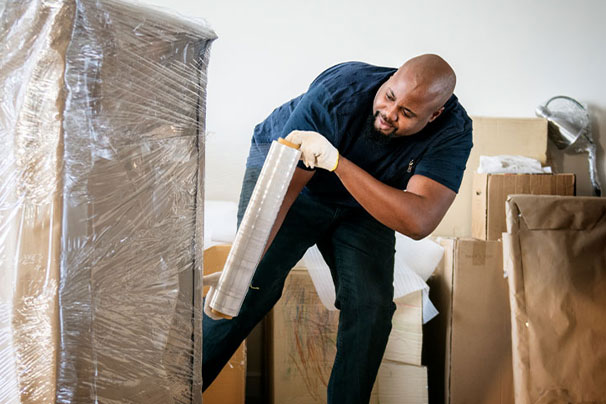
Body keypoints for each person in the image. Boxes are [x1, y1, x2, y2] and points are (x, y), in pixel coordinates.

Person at [203, 54, 472, 403]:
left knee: (371, 307)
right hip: (292, 177)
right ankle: (173, 395)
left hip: (361, 195)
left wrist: (339, 164)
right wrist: (243, 265)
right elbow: (286, 189)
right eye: (390, 97)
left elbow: (419, 221)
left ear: (434, 114)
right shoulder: (340, 92)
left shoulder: (452, 131)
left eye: (407, 114)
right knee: (249, 289)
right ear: (389, 79)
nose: (390, 113)